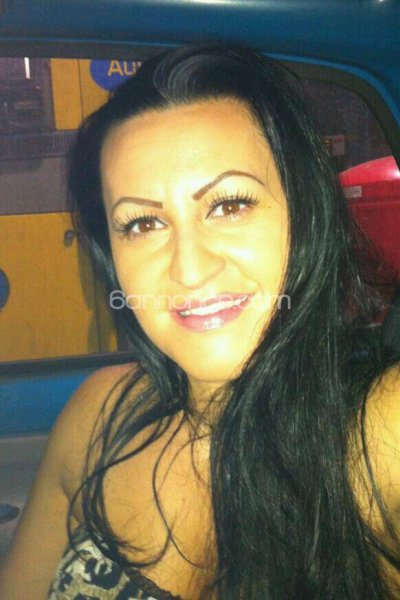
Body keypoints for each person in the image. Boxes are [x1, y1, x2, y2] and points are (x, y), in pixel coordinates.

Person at [1, 41, 400, 600]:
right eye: (142, 224)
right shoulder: (98, 418)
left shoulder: (382, 430)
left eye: (230, 205)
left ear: (305, 214)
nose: (189, 271)